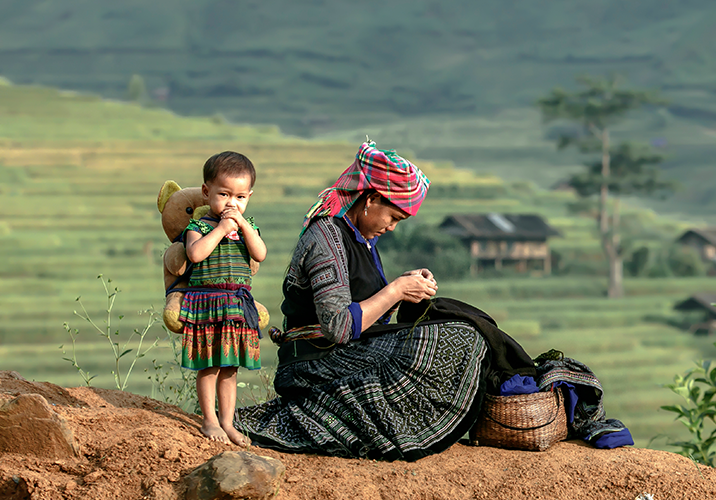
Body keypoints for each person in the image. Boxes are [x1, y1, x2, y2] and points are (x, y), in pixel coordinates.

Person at [234, 141, 489, 461]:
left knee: (459, 327)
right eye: (393, 216)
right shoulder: (326, 237)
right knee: (451, 338)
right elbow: (339, 327)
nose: (392, 226)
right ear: (369, 200)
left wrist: (407, 288)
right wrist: (395, 290)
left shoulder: (363, 239)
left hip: (345, 350)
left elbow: (367, 311)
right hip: (314, 361)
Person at [178, 151, 268, 447]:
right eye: (224, 194)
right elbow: (195, 254)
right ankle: (209, 420)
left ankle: (228, 422)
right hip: (208, 305)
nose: (232, 203)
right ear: (207, 192)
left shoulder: (248, 226)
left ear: (249, 197)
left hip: (235, 306)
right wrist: (220, 229)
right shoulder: (199, 227)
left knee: (230, 367)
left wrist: (242, 226)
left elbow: (260, 254)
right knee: (209, 365)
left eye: (240, 197)